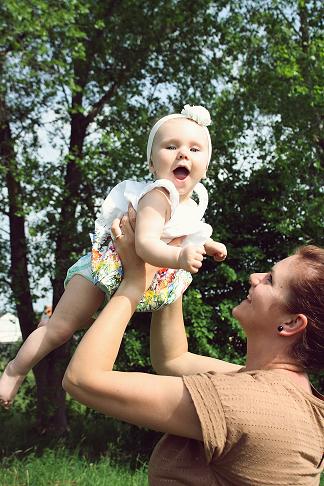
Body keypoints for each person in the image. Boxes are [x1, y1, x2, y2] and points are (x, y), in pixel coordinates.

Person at [62, 213, 324, 485]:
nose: (254, 277)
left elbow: (83, 379)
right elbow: (172, 359)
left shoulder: (244, 402)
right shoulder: (276, 390)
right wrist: (168, 261)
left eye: (270, 280)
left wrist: (134, 283)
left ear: (292, 323)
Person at [0, 104, 226, 407]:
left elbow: (181, 231)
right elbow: (145, 245)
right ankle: (14, 371)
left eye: (194, 149)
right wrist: (181, 258)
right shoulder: (158, 195)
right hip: (100, 267)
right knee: (60, 328)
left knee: (77, 329)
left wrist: (208, 245)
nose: (183, 153)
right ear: (151, 162)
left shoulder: (190, 204)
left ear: (206, 166)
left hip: (133, 275)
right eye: (171, 146)